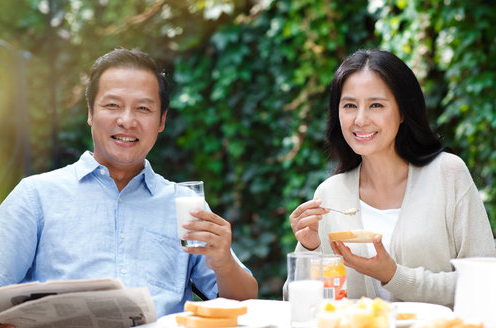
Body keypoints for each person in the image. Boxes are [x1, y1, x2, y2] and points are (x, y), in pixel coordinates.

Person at [0, 48, 258, 323]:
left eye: (143, 108)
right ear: (90, 113)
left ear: (161, 121)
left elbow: (247, 305)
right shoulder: (35, 196)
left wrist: (223, 263)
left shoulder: (184, 204)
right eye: (112, 105)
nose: (127, 120)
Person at [289, 49, 496, 307]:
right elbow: (297, 303)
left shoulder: (448, 174)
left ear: (402, 113)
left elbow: (485, 284)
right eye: (350, 105)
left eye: (376, 105)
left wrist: (393, 276)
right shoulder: (329, 193)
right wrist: (309, 250)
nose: (361, 119)